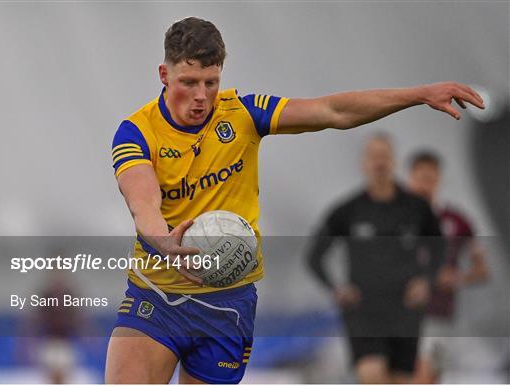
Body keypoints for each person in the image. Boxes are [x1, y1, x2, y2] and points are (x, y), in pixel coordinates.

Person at [105, 16, 484, 384]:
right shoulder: (137, 132)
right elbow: (143, 203)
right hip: (157, 294)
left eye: (211, 82)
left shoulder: (244, 114)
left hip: (227, 305)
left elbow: (333, 111)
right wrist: (164, 243)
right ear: (164, 75)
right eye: (189, 82)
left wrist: (418, 95)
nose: (202, 96)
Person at [306, 134, 444, 384]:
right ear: (364, 163)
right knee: (371, 374)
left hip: (405, 309)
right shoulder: (347, 210)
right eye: (374, 157)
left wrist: (426, 281)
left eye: (384, 156)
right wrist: (336, 288)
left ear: (394, 161)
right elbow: (314, 256)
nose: (379, 162)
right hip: (363, 309)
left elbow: (439, 248)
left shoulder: (417, 208)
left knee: (402, 378)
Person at [407, 151, 489, 383]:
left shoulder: (457, 221)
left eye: (431, 179)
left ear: (439, 180)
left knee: (429, 377)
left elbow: (482, 270)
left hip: (438, 316)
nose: (425, 185)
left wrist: (458, 278)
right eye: (420, 178)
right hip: (400, 314)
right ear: (409, 179)